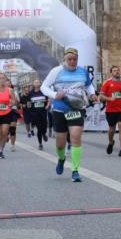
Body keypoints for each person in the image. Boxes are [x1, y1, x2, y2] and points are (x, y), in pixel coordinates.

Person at [41, 48, 98, 182]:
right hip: (60, 110)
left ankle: (75, 170)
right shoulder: (56, 71)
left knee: (76, 138)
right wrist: (54, 94)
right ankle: (61, 158)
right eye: (69, 59)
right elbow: (44, 87)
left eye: (74, 59)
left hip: (76, 109)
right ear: (65, 59)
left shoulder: (83, 72)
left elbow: (88, 86)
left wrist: (92, 94)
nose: (72, 61)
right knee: (60, 144)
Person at [98, 65, 121, 156]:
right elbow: (100, 96)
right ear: (111, 73)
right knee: (111, 129)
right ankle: (111, 142)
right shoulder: (107, 82)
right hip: (111, 110)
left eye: (118, 70)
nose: (117, 72)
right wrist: (109, 99)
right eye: (114, 70)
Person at [23, 79, 49, 151]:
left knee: (44, 127)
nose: (37, 83)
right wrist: (28, 105)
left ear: (40, 83)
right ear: (33, 84)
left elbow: (48, 99)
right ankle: (40, 144)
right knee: (39, 128)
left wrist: (47, 105)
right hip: (34, 113)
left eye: (38, 82)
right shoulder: (31, 93)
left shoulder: (44, 91)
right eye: (35, 82)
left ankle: (44, 134)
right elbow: (28, 102)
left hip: (43, 112)